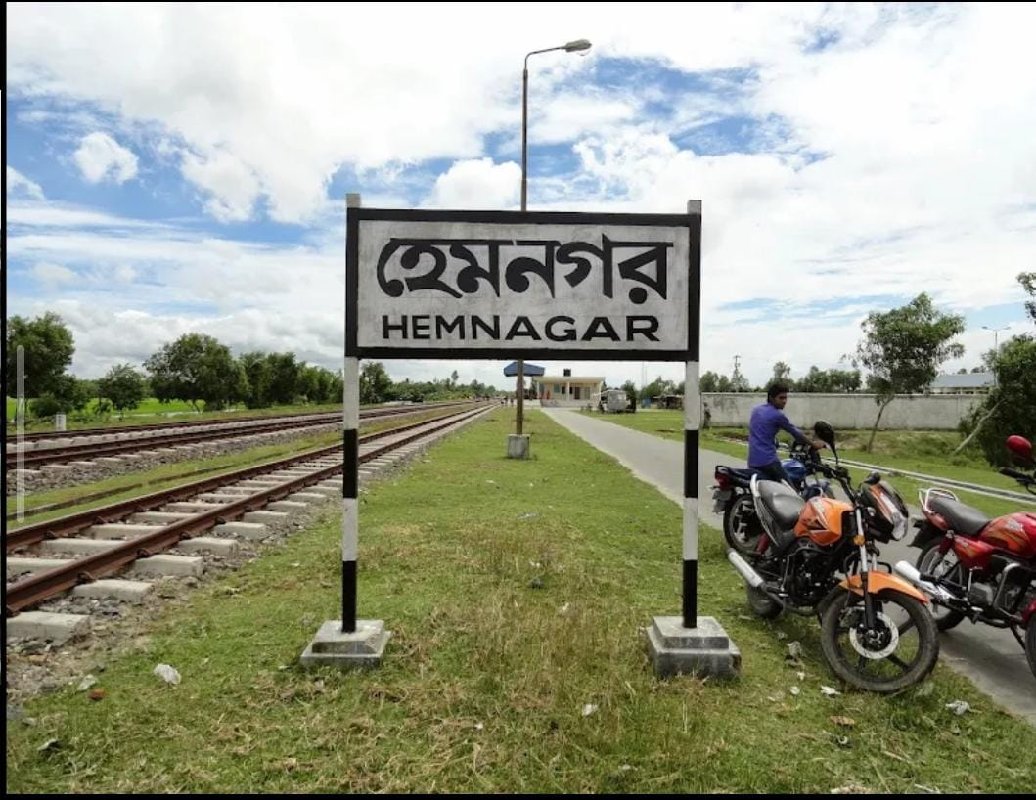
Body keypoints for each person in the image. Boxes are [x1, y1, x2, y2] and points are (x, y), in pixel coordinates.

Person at [748, 382, 820, 483]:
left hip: (753, 461)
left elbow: (761, 432)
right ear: (772, 398)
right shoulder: (778, 415)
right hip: (768, 462)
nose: (784, 401)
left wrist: (774, 442)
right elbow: (796, 433)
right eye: (781, 398)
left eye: (786, 398)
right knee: (790, 492)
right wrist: (814, 444)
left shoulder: (756, 410)